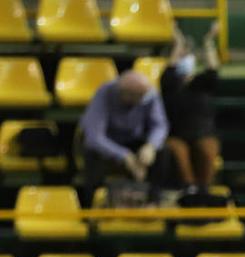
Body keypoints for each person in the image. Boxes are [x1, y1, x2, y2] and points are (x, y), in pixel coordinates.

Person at [80, 69, 170, 190]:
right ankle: (92, 200)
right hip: (109, 143)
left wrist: (151, 146)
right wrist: (124, 156)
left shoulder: (149, 94)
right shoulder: (105, 92)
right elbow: (94, 137)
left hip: (135, 141)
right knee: (92, 152)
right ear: (125, 94)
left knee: (162, 150)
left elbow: (160, 125)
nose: (143, 99)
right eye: (139, 96)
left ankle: (153, 199)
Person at [161, 22, 222, 192]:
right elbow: (170, 69)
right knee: (179, 152)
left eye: (187, 55)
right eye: (182, 55)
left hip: (203, 132)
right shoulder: (170, 82)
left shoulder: (200, 83)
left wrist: (209, 41)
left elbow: (213, 70)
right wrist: (178, 43)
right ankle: (189, 189)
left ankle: (204, 190)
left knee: (208, 148)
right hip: (177, 134)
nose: (185, 58)